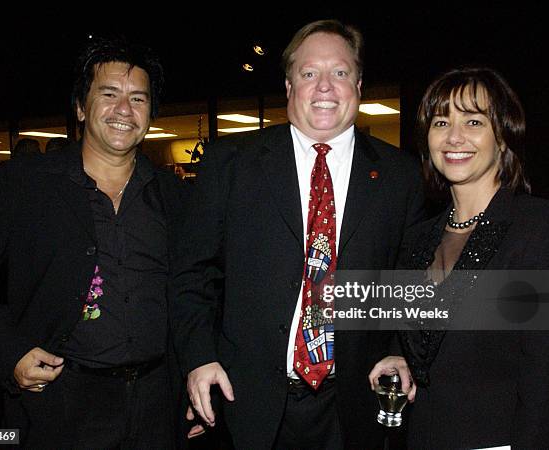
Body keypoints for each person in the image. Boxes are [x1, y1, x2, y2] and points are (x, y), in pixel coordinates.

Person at [170, 19, 424, 449]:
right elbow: (191, 276)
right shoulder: (231, 164)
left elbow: (409, 279)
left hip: (353, 406)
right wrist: (199, 357)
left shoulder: (400, 175)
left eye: (339, 73)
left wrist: (400, 347)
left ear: (358, 85)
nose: (325, 87)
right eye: (309, 74)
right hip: (245, 403)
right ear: (289, 87)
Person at [0, 36, 184, 449]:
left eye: (138, 98)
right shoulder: (26, 185)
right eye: (108, 94)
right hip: (61, 404)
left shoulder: (173, 195)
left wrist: (192, 377)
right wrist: (9, 352)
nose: (124, 110)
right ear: (79, 106)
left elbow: (195, 291)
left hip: (157, 406)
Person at [370, 67, 549, 449]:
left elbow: (547, 378)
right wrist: (401, 358)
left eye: (473, 121)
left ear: (504, 138)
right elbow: (425, 343)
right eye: (442, 121)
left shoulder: (542, 227)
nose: (454, 136)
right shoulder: (418, 239)